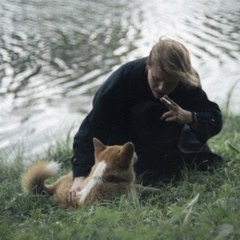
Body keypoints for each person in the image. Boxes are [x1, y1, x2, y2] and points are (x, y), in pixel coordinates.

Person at [68, 37, 222, 203]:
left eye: (170, 83)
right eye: (157, 79)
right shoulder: (121, 81)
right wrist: (79, 175)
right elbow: (91, 128)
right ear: (148, 65)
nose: (162, 88)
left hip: (168, 140)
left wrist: (189, 117)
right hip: (129, 141)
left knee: (207, 162)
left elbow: (214, 118)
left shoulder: (187, 81)